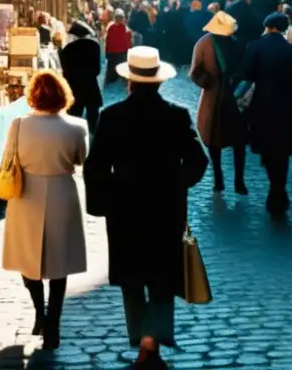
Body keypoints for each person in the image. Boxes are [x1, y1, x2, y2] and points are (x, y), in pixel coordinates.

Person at [84, 47, 208, 367]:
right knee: (163, 279)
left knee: (131, 278)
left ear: (129, 82)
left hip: (124, 209)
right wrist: (176, 184)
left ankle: (142, 340)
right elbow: (198, 160)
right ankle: (150, 344)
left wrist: (103, 201)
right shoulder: (178, 115)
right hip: (166, 209)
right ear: (158, 82)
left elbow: (94, 166)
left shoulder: (111, 117)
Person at [1, 70, 88, 351]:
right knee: (60, 263)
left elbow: (6, 160)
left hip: (26, 193)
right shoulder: (77, 126)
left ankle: (40, 311)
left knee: (29, 258)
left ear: (33, 96)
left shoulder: (18, 125)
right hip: (62, 191)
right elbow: (81, 159)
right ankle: (54, 323)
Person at [241, 14, 292, 215]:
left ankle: (275, 187)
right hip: (287, 106)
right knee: (282, 152)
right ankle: (278, 189)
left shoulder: (254, 47)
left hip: (262, 106)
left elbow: (246, 77)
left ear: (267, 27)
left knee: (268, 148)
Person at [191, 11, 246, 194]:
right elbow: (195, 71)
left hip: (234, 99)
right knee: (214, 141)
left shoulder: (236, 43)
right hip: (213, 99)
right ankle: (218, 179)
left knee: (239, 141)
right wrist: (207, 81)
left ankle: (239, 181)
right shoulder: (204, 43)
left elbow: (243, 67)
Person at [58, 20, 103, 134]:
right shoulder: (95, 46)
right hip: (91, 87)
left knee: (73, 123)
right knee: (93, 122)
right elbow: (97, 70)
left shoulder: (68, 49)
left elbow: (65, 72)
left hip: (74, 90)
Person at [105, 9, 132, 85]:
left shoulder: (114, 28)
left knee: (114, 67)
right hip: (118, 52)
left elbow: (108, 40)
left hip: (116, 52)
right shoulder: (124, 28)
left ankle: (114, 78)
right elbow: (128, 42)